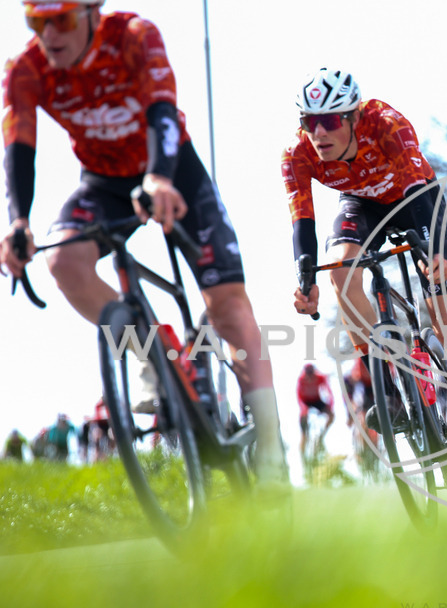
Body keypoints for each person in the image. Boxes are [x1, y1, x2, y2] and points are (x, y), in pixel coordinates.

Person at [0, 1, 289, 490]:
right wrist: (17, 222)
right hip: (103, 184)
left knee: (227, 305)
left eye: (62, 20)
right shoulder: (25, 70)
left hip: (173, 168)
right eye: (37, 22)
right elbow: (18, 146)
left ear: (92, 11)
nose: (50, 35)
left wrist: (159, 177)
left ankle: (272, 446)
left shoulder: (134, 35)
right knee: (62, 260)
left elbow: (162, 109)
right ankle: (154, 356)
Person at [284, 68, 447, 479]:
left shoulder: (385, 123)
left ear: (352, 118)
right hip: (360, 203)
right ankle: (388, 387)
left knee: (443, 314)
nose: (319, 133)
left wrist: (433, 251)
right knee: (341, 274)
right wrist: (305, 280)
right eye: (309, 123)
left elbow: (415, 183)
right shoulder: (297, 155)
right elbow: (303, 220)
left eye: (329, 121)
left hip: (413, 198)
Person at [297, 363, 335, 459]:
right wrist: (304, 409)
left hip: (316, 401)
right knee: (304, 434)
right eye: (308, 374)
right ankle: (302, 456)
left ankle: (321, 436)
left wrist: (330, 406)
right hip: (305, 403)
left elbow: (329, 393)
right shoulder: (301, 380)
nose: (310, 377)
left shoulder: (320, 378)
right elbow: (299, 397)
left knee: (331, 415)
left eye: (311, 374)